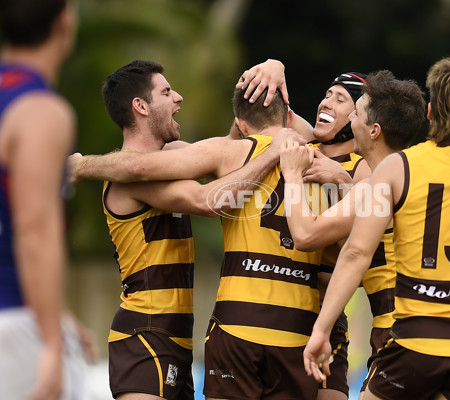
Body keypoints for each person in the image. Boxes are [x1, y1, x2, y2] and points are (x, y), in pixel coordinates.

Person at [303, 56, 450, 400]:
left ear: (430, 111)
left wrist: (321, 330)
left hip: (415, 343)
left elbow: (356, 252)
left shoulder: (399, 167)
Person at [69, 82, 325, 399]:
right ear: (140, 106)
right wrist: (81, 164)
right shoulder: (125, 177)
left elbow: (234, 150)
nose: (178, 97)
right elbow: (207, 201)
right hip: (144, 330)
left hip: (177, 336)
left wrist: (264, 79)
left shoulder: (178, 156)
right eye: (165, 92)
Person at [279, 70, 426, 396]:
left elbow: (305, 235)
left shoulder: (376, 187)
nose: (351, 117)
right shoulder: (422, 175)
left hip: (397, 330)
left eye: (355, 111)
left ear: (373, 130)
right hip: (449, 332)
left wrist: (291, 175)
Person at [239, 60, 372, 400]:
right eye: (327, 94)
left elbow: (362, 236)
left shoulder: (364, 171)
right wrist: (275, 65)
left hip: (326, 320)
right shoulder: (299, 144)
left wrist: (341, 180)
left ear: (359, 120)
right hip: (278, 313)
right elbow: (252, 111)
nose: (326, 102)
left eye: (341, 99)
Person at [0, 1, 93, 399]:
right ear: (64, 22)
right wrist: (52, 342)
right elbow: (34, 230)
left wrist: (56, 314)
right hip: (14, 320)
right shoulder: (40, 111)